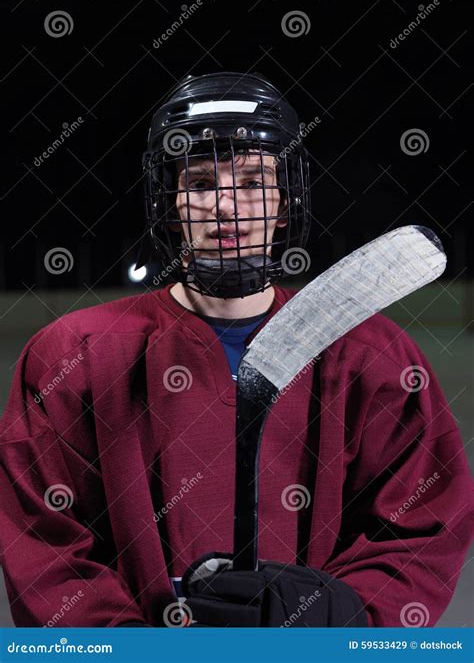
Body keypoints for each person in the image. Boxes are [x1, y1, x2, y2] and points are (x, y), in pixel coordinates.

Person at [0, 72, 472, 628]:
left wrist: (337, 615)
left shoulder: (373, 353)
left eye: (252, 182)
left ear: (282, 199)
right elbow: (46, 542)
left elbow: (421, 523)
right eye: (201, 184)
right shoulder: (71, 355)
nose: (228, 208)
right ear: (172, 203)